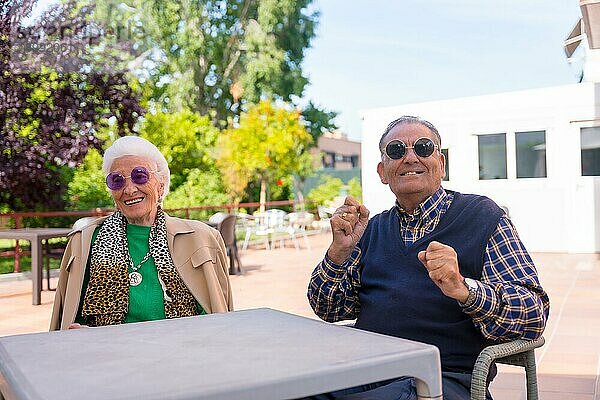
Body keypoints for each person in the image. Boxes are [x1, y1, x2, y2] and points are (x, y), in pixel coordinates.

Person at [306, 116, 549, 400]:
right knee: (290, 389)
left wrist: (465, 290)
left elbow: (534, 314)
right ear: (383, 172)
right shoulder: (371, 229)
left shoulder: (483, 216)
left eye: (423, 147)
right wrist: (339, 252)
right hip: (366, 372)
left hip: (440, 378)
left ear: (441, 165)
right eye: (397, 150)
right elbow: (328, 309)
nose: (410, 157)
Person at [50, 136, 233, 330]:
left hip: (182, 350)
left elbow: (215, 317)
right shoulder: (86, 242)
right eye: (117, 180)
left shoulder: (201, 239)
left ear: (161, 185)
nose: (129, 189)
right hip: (109, 353)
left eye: (140, 176)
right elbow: (73, 319)